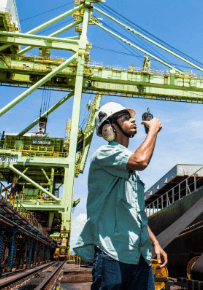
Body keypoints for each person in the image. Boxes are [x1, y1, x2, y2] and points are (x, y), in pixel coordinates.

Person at [73, 102, 167, 290]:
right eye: (125, 117)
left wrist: (155, 242)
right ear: (109, 128)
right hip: (111, 254)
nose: (132, 120)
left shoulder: (128, 166)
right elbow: (141, 160)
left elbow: (135, 212)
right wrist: (153, 131)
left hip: (139, 255)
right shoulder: (104, 154)